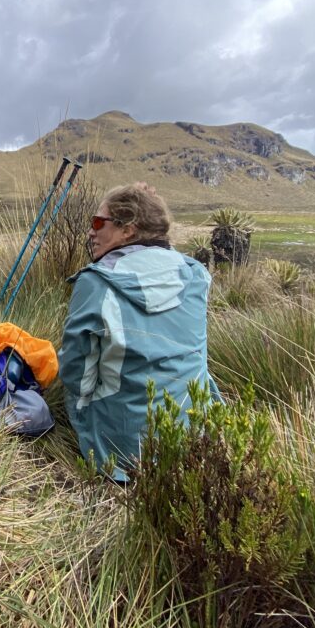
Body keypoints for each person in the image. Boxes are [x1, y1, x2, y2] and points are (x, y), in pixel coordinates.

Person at [58, 182, 221, 483]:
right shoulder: (197, 274)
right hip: (197, 435)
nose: (90, 232)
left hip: (122, 450)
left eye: (98, 223)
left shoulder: (96, 282)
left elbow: (76, 375)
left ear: (128, 230)